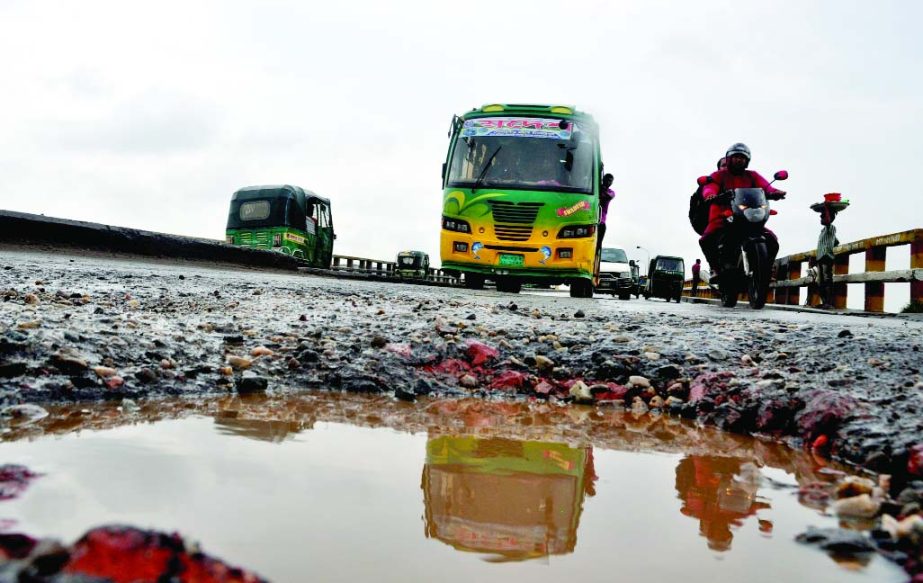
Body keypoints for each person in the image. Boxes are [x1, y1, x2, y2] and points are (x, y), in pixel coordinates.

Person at [699, 143, 786, 280]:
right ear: (729, 159)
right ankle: (716, 269)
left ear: (747, 161)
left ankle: (765, 270)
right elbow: (710, 186)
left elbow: (765, 186)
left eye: (743, 157)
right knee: (706, 239)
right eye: (736, 157)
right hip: (724, 217)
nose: (739, 160)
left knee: (772, 240)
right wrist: (710, 194)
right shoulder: (719, 175)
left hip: (747, 216)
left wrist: (774, 192)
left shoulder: (752, 176)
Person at [815, 204, 840, 309]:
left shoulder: (831, 228)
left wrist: (826, 208)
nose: (821, 217)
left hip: (826, 258)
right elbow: (836, 242)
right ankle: (824, 301)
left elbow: (828, 220)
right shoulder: (823, 231)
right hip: (820, 258)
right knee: (820, 281)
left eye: (823, 216)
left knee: (826, 280)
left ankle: (829, 303)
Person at [598, 173, 615, 247]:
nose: (609, 182)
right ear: (603, 180)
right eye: (607, 180)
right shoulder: (597, 188)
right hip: (591, 218)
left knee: (598, 244)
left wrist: (603, 189)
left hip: (601, 221)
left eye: (610, 181)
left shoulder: (611, 192)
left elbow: (608, 197)